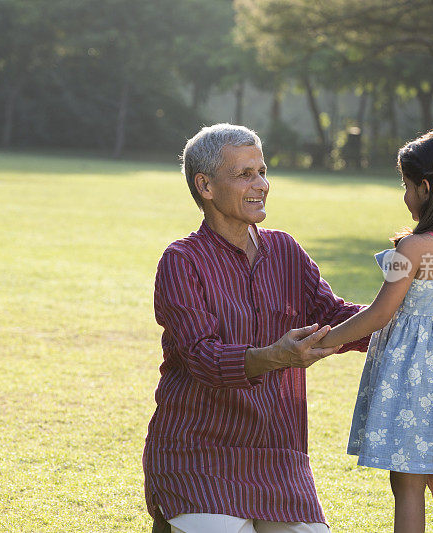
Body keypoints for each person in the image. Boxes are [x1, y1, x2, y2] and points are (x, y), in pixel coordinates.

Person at [143, 123, 370, 533]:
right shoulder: (181, 261)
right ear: (206, 186)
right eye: (245, 174)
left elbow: (335, 317)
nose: (261, 184)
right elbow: (203, 359)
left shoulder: (285, 249)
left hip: (278, 456)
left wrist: (415, 316)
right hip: (197, 453)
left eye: (262, 171)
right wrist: (277, 356)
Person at [314, 130, 433, 533]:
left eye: (406, 186)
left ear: (425, 188)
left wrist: (325, 341)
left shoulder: (413, 247)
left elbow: (380, 314)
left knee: (406, 479)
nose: (404, 195)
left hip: (411, 375)